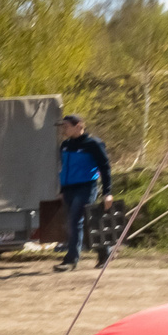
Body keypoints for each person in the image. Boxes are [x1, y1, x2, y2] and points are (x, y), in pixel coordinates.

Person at [56, 112, 117, 271]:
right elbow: (64, 169)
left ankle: (71, 260)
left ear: (78, 126)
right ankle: (105, 252)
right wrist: (62, 189)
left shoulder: (93, 144)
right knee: (88, 222)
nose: (63, 129)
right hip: (69, 189)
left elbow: (105, 168)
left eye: (66, 126)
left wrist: (107, 192)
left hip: (86, 187)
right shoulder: (65, 145)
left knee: (75, 221)